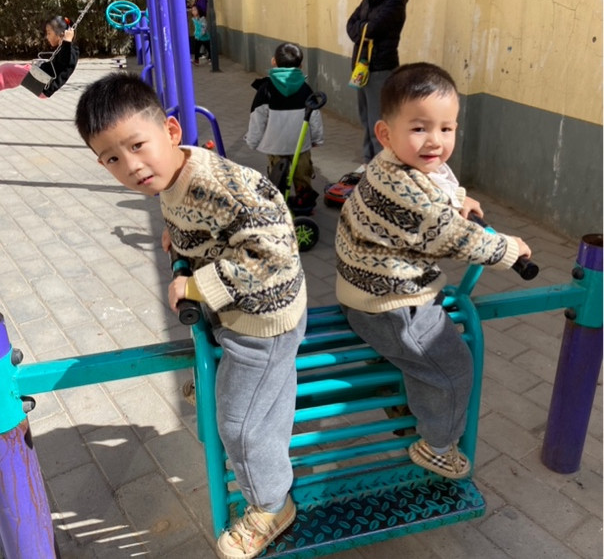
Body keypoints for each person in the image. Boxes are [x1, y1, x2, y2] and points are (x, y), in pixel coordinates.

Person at [75, 72, 307, 559]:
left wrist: (196, 284)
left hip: (264, 321)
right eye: (112, 159)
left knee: (240, 427)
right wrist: (179, 237)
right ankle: (226, 388)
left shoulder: (218, 187)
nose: (132, 166)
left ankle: (272, 505)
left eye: (137, 145)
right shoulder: (172, 173)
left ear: (171, 131)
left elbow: (273, 255)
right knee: (235, 396)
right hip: (239, 310)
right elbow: (192, 214)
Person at [334, 62, 532, 480]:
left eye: (446, 128)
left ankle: (400, 384)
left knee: (434, 354)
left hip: (370, 286)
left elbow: (437, 188)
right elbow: (450, 236)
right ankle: (437, 447)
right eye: (420, 128)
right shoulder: (401, 188)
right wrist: (508, 249)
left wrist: (460, 200)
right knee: (454, 369)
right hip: (391, 305)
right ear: (385, 133)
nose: (435, 142)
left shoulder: (396, 164)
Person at [245, 42, 324, 213]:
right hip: (300, 145)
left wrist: (252, 141)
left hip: (275, 146)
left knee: (278, 176)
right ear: (301, 65)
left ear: (274, 61)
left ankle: (278, 207)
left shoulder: (266, 89)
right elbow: (314, 116)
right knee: (303, 176)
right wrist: (317, 138)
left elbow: (257, 118)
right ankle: (305, 206)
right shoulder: (305, 89)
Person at [347, 0, 409, 166]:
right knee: (365, 119)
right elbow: (351, 24)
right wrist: (363, 29)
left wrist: (363, 28)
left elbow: (374, 27)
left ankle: (382, 165)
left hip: (381, 67)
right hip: (362, 67)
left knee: (378, 121)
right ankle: (368, 162)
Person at [0, 15, 79, 97]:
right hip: (41, 80)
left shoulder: (70, 50)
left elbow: (66, 60)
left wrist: (67, 41)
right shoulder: (64, 48)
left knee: (7, 69)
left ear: (61, 34)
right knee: (12, 72)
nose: (47, 37)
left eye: (49, 33)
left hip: (44, 85)